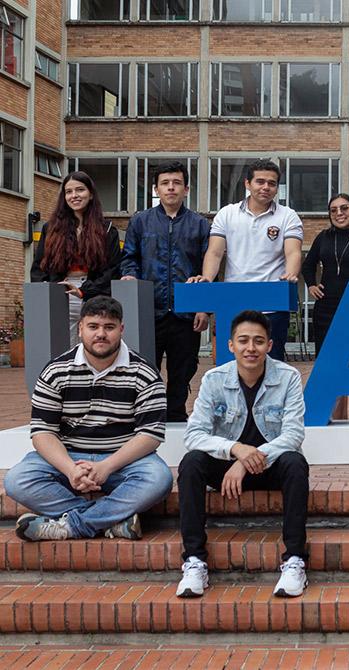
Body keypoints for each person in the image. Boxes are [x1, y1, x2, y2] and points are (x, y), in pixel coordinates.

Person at [4, 296, 171, 542]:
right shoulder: (56, 371)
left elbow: (150, 435)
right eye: (93, 326)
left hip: (123, 461)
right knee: (17, 480)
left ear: (121, 329)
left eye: (109, 327)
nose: (101, 334)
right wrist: (70, 469)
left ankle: (71, 526)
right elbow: (42, 432)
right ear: (80, 328)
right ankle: (111, 522)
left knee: (159, 479)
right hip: (68, 457)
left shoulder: (144, 372)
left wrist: (107, 466)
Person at [177, 310, 309, 598]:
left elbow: (293, 435)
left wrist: (247, 461)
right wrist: (235, 450)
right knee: (191, 462)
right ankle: (194, 560)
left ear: (270, 345)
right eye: (243, 340)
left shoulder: (288, 377)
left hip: (269, 468)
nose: (251, 348)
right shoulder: (214, 379)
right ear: (230, 345)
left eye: (259, 341)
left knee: (295, 462)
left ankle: (295, 560)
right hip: (225, 470)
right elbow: (193, 435)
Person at [120, 161, 211, 422]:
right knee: (145, 368)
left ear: (186, 189)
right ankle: (149, 416)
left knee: (184, 368)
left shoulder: (200, 225)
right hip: (149, 310)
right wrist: (130, 275)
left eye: (177, 183)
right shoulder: (140, 222)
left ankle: (176, 415)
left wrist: (204, 308)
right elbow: (130, 257)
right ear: (156, 189)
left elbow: (208, 269)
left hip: (186, 313)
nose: (171, 188)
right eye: (165, 183)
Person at [190, 159, 303, 362]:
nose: (266, 187)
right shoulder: (227, 213)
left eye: (272, 183)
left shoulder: (288, 216)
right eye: (260, 181)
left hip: (272, 305)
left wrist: (291, 273)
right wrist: (207, 278)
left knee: (272, 365)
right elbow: (215, 253)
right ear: (247, 184)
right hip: (234, 304)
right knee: (231, 365)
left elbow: (293, 252)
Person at [30, 171, 122, 347]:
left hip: (95, 295)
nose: (74, 195)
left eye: (80, 190)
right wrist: (47, 292)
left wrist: (83, 291)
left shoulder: (107, 229)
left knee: (95, 347)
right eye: (69, 192)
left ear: (91, 194)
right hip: (61, 294)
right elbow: (39, 267)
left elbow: (113, 270)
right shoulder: (51, 228)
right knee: (61, 349)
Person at [301, 193, 349, 355]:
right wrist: (311, 285)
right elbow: (308, 265)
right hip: (325, 306)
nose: (339, 213)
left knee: (345, 357)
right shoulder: (323, 237)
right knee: (324, 357)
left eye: (344, 208)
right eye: (333, 210)